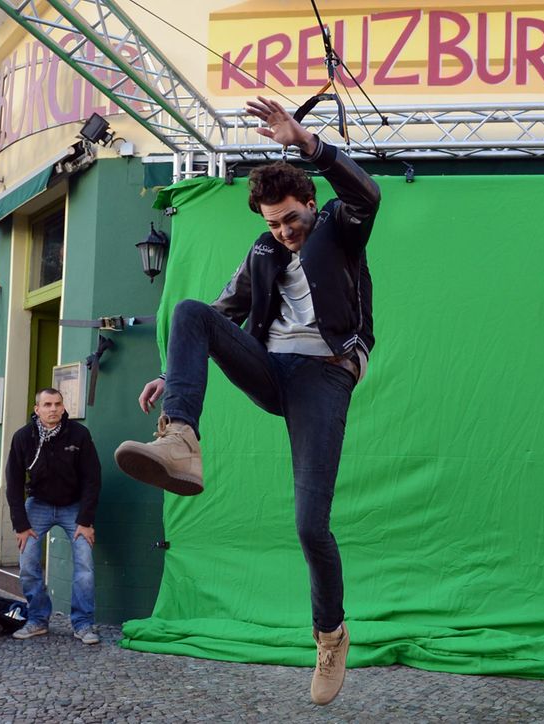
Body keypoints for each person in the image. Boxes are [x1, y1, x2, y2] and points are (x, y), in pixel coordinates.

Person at [115, 96, 380, 705]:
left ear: (310, 204)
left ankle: (330, 634)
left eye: (292, 218)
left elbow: (368, 196)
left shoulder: (340, 227)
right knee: (190, 310)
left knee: (310, 525)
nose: (286, 232)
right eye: (274, 224)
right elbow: (220, 313)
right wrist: (170, 373)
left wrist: (309, 145)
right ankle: (181, 440)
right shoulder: (262, 256)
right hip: (271, 370)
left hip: (324, 376)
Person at [5, 388, 102, 644]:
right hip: (38, 505)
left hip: (74, 507)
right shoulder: (24, 437)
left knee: (85, 566)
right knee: (27, 564)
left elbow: (93, 479)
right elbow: (13, 483)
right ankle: (37, 619)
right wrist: (21, 525)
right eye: (47, 404)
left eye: (57, 404)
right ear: (37, 409)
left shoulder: (79, 435)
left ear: (63, 407)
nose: (53, 409)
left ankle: (83, 624)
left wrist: (86, 520)